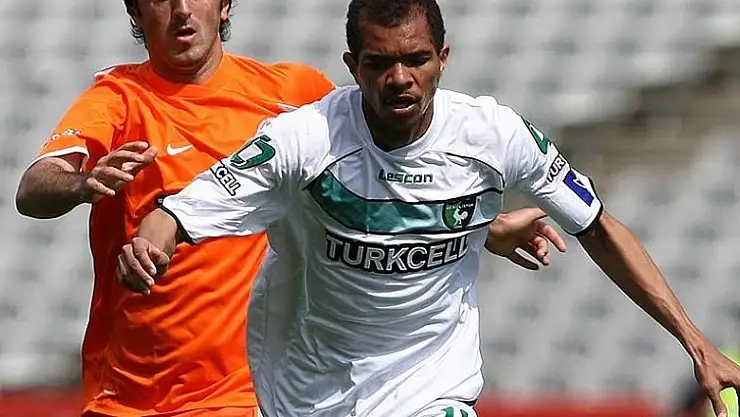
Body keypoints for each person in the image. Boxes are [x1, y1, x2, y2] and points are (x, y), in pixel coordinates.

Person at [117, 0, 740, 416]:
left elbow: (599, 227)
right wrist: (149, 242)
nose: (400, 78)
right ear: (352, 67)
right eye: (380, 63)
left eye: (416, 59)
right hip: (309, 389)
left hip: (431, 383)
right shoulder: (302, 142)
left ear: (443, 57)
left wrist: (696, 343)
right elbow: (179, 213)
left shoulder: (493, 136)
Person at [14, 0, 565, 415]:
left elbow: (383, 178)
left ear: (224, 5)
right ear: (136, 13)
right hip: (133, 393)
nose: (181, 10)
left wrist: (482, 226)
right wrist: (82, 182)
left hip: (247, 387)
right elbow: (34, 187)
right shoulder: (118, 99)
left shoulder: (295, 96)